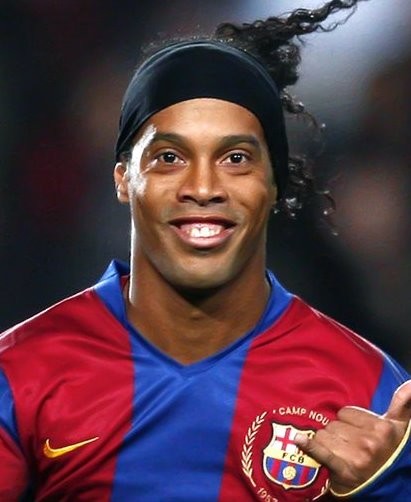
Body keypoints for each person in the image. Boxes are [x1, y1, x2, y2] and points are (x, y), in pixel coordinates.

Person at [1, 1, 410, 500]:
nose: (202, 187)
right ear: (123, 180)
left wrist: (382, 490)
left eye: (235, 158)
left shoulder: (370, 395)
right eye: (169, 157)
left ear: (275, 184)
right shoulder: (19, 374)